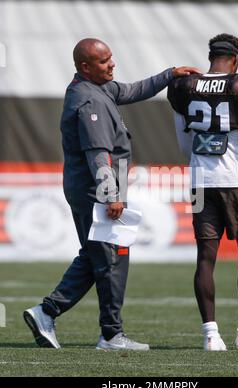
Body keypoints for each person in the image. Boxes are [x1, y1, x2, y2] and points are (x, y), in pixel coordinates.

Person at [23, 38, 200, 350]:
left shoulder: (99, 86)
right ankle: (110, 334)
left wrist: (170, 74)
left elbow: (132, 90)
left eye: (111, 58)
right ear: (85, 67)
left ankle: (47, 312)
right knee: (111, 259)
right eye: (104, 61)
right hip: (97, 189)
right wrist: (110, 195)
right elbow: (98, 154)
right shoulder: (88, 100)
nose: (112, 64)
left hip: (99, 187)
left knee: (98, 257)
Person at [167, 33, 238, 351]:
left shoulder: (183, 86)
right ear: (236, 60)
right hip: (236, 184)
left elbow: (184, 144)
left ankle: (210, 336)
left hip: (201, 182)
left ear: (210, 56)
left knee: (205, 257)